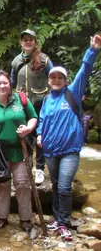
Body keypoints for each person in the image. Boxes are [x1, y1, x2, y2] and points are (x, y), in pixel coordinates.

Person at [37, 34, 101, 241]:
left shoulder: (72, 93)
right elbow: (41, 119)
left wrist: (92, 50)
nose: (56, 80)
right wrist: (39, 135)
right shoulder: (47, 99)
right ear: (49, 80)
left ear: (65, 81)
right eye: (52, 77)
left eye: (59, 78)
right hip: (50, 150)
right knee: (56, 186)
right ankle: (57, 217)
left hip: (70, 151)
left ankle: (64, 222)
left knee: (64, 187)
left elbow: (85, 71)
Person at [0, 70, 38, 232]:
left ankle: (25, 218)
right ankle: (2, 217)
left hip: (20, 149)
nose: (2, 86)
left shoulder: (21, 99)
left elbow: (33, 117)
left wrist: (28, 128)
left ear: (10, 84)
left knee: (23, 184)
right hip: (0, 153)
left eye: (5, 83)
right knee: (2, 184)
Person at [11, 29, 54, 185]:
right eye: (25, 39)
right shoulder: (16, 61)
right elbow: (12, 82)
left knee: (40, 137)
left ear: (35, 42)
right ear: (21, 42)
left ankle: (40, 168)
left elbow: (54, 78)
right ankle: (27, 166)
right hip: (22, 105)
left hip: (40, 104)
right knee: (25, 135)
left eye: (31, 39)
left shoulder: (44, 60)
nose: (28, 42)